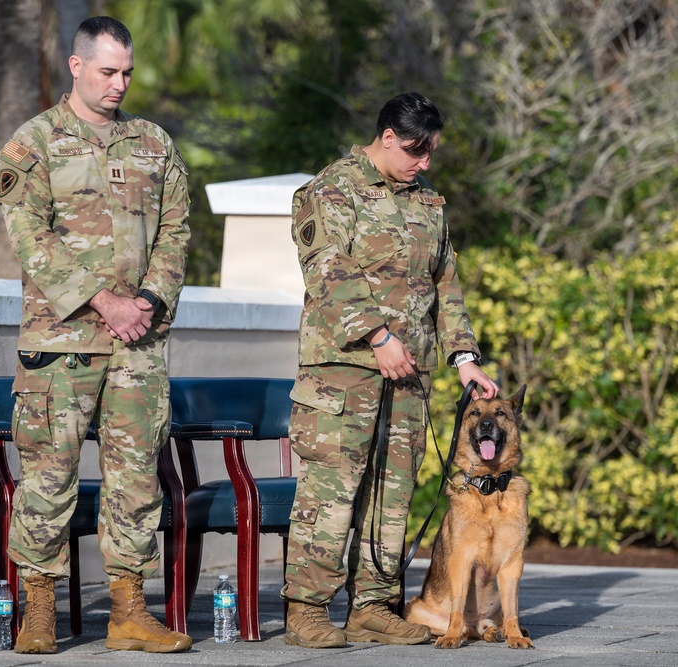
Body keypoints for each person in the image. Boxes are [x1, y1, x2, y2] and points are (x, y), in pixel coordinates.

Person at [0, 16, 191, 655]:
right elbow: (30, 239)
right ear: (75, 66)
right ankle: (39, 610)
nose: (119, 84)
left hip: (138, 344)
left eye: (127, 73)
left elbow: (177, 233)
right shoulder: (35, 142)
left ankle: (129, 612)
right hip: (62, 343)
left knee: (136, 479)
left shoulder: (154, 143)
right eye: (108, 71)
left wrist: (148, 302)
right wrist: (105, 301)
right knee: (49, 475)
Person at [281, 92, 499, 648]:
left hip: (410, 375)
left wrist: (465, 359)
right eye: (415, 150)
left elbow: (444, 283)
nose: (424, 161)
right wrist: (377, 336)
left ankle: (373, 604)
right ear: (385, 138)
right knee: (332, 488)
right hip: (343, 370)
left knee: (392, 490)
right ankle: (306, 611)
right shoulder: (330, 190)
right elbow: (327, 271)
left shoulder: (429, 202)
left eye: (430, 151)